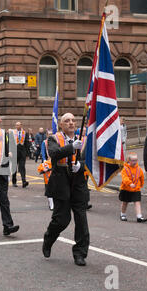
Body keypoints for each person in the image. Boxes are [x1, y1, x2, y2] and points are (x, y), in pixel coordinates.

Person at [42, 113, 89, 267]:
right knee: (62, 220)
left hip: (78, 183)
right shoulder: (53, 138)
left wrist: (80, 166)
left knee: (81, 219)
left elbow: (88, 160)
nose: (71, 123)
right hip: (61, 181)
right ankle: (49, 239)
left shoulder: (83, 140)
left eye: (73, 121)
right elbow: (54, 154)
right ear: (61, 125)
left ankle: (80, 253)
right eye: (66, 121)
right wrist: (71, 147)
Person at [119, 152, 147, 223]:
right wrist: (130, 183)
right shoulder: (125, 169)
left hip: (136, 189)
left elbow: (141, 178)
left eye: (136, 160)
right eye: (133, 160)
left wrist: (141, 185)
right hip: (126, 189)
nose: (135, 162)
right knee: (125, 202)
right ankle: (123, 214)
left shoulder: (139, 169)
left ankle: (139, 216)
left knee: (137, 202)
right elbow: (124, 178)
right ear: (128, 161)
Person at [11, 121, 30, 188]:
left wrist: (28, 154)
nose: (17, 126)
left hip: (22, 153)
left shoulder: (25, 133)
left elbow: (27, 144)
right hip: (14, 152)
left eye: (18, 125)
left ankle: (24, 181)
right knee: (14, 168)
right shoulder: (12, 133)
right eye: (16, 125)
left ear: (21, 125)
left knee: (22, 167)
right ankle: (14, 182)